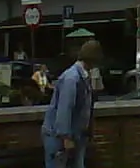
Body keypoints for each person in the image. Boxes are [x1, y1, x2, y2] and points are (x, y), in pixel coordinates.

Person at [42, 39, 102, 168]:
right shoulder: (72, 78)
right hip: (59, 137)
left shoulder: (82, 76)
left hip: (76, 135)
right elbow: (65, 107)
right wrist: (66, 137)